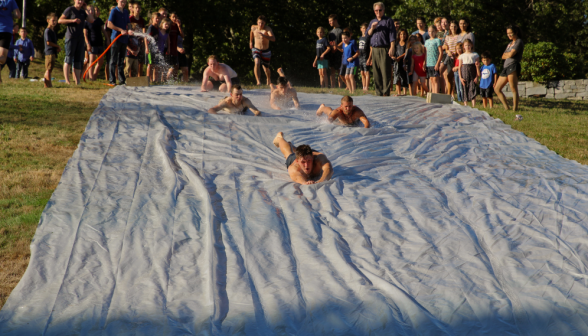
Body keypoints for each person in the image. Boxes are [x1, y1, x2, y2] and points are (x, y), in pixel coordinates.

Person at [59, 0, 95, 85]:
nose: (80, 1)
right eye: (78, 0)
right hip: (71, 37)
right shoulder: (70, 9)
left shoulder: (83, 11)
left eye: (82, 0)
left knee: (79, 60)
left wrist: (86, 9)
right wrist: (72, 21)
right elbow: (60, 20)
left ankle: (77, 81)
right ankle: (67, 81)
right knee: (69, 58)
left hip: (80, 38)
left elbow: (91, 20)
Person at [367, 2, 395, 96]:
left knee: (385, 71)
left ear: (383, 10)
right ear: (374, 11)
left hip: (384, 48)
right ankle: (378, 92)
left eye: (380, 10)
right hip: (374, 49)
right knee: (376, 72)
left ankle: (385, 92)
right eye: (376, 10)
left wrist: (392, 47)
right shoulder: (372, 21)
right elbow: (368, 34)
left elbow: (392, 35)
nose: (378, 12)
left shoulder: (388, 20)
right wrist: (372, 28)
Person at [495, 25, 525, 111]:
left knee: (513, 88)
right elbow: (503, 56)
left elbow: (511, 54)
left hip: (513, 65)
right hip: (506, 67)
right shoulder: (509, 44)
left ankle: (515, 109)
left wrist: (509, 54)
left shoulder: (519, 42)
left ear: (516, 32)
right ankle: (506, 107)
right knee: (497, 89)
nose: (509, 35)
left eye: (510, 33)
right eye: (507, 34)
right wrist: (508, 54)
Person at [107, 0, 133, 86]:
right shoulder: (114, 10)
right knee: (113, 59)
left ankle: (122, 80)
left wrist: (129, 29)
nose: (124, 3)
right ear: (117, 1)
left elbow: (128, 24)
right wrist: (120, 30)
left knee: (121, 60)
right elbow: (109, 24)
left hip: (124, 39)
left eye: (125, 2)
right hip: (116, 38)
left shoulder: (126, 12)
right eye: (122, 1)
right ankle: (112, 80)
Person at [250, 15, 275, 86]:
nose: (261, 25)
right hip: (256, 49)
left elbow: (273, 38)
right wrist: (250, 42)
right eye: (259, 23)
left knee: (266, 68)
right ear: (257, 22)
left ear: (265, 23)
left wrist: (265, 36)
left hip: (265, 51)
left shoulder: (267, 29)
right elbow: (251, 33)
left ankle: (268, 78)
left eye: (262, 23)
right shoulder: (253, 27)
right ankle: (258, 81)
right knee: (257, 62)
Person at [0, 0, 20, 84]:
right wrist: (9, 15)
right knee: (2, 59)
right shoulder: (11, 1)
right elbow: (18, 15)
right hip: (6, 30)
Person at [83, 5, 104, 81]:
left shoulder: (98, 20)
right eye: (89, 10)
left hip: (100, 43)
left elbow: (103, 31)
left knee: (101, 61)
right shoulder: (86, 22)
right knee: (91, 61)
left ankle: (94, 76)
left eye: (92, 10)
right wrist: (88, 44)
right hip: (92, 43)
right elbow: (85, 34)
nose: (91, 11)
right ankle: (91, 78)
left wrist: (108, 39)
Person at [458, 38, 479, 107]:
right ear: (463, 46)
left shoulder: (475, 55)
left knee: (472, 87)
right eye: (466, 45)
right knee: (465, 87)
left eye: (469, 45)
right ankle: (465, 104)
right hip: (464, 71)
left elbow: (477, 66)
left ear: (472, 45)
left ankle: (473, 105)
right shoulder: (461, 56)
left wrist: (477, 77)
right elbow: (459, 67)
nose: (467, 47)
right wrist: (460, 77)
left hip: (472, 71)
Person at [326, 14, 344, 89]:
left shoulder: (341, 30)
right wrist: (332, 48)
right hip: (332, 53)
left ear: (335, 20)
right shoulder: (330, 32)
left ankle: (340, 87)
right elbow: (329, 42)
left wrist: (336, 47)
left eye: (331, 21)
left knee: (339, 71)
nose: (329, 23)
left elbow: (343, 40)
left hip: (339, 53)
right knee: (332, 71)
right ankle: (333, 87)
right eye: (329, 21)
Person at [442, 20, 460, 97]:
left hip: (457, 57)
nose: (453, 28)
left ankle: (458, 94)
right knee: (449, 76)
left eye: (455, 26)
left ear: (457, 27)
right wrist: (447, 51)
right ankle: (449, 94)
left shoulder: (459, 36)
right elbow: (444, 46)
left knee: (456, 76)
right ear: (449, 27)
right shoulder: (447, 37)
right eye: (452, 26)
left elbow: (460, 46)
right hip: (449, 57)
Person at [129, 1, 146, 76]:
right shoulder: (130, 18)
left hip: (139, 42)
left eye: (139, 8)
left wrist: (142, 39)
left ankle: (139, 77)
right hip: (131, 42)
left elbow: (144, 31)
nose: (138, 9)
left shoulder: (142, 20)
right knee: (130, 61)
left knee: (140, 61)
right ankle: (129, 78)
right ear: (133, 9)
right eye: (136, 8)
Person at [424, 25, 443, 93]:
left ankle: (436, 94)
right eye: (429, 31)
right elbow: (425, 53)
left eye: (432, 31)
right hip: (429, 64)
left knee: (436, 80)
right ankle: (433, 94)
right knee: (431, 79)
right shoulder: (426, 41)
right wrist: (424, 63)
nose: (431, 33)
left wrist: (438, 63)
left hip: (435, 63)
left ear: (436, 31)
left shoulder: (437, 40)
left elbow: (441, 53)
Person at [44, 13, 60, 87]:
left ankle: (47, 83)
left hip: (53, 52)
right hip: (49, 52)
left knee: (50, 68)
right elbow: (48, 42)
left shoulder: (53, 31)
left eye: (56, 20)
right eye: (53, 20)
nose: (55, 22)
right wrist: (57, 46)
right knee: (49, 68)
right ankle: (48, 83)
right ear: (48, 20)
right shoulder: (48, 31)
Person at [166, 12, 183, 81]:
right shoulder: (168, 26)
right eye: (173, 17)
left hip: (175, 49)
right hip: (169, 48)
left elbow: (182, 35)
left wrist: (179, 26)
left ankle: (175, 81)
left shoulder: (177, 26)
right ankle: (166, 80)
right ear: (170, 18)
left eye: (176, 17)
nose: (175, 18)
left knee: (176, 66)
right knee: (170, 67)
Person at [145, 12, 161, 82]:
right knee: (150, 64)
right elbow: (145, 37)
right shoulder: (151, 28)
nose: (157, 20)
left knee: (154, 64)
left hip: (155, 48)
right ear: (152, 19)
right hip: (150, 48)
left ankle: (153, 79)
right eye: (156, 18)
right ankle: (148, 79)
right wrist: (147, 48)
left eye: (159, 19)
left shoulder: (157, 28)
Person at [392, 29, 408, 96]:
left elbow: (406, 52)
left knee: (403, 76)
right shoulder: (396, 42)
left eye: (404, 34)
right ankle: (398, 92)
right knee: (397, 76)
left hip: (404, 61)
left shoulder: (407, 43)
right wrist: (394, 57)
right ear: (399, 35)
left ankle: (404, 92)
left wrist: (400, 57)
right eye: (401, 34)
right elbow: (393, 51)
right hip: (397, 62)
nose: (402, 35)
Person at [358, 23, 372, 92]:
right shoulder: (360, 38)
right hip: (360, 56)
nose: (364, 30)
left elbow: (371, 49)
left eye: (366, 28)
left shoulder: (368, 38)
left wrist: (370, 58)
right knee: (362, 72)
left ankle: (367, 87)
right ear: (361, 29)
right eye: (363, 28)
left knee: (366, 72)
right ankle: (363, 86)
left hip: (366, 56)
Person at [104, 5, 115, 82]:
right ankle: (107, 78)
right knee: (109, 60)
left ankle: (116, 77)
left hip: (116, 42)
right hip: (110, 42)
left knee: (115, 61)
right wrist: (108, 41)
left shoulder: (117, 21)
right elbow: (107, 33)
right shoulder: (108, 22)